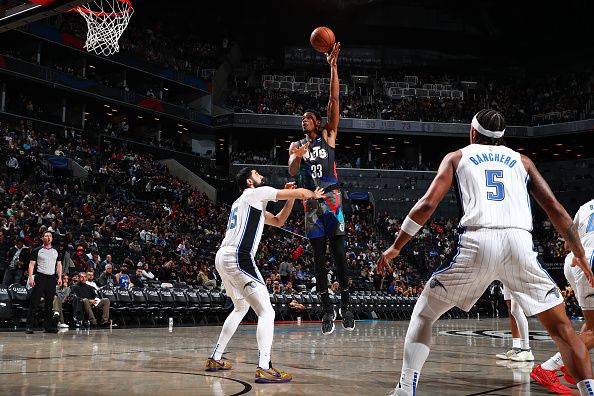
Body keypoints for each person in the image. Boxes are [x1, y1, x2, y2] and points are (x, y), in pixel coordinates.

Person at [376, 109, 594, 396]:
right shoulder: (522, 161)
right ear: (502, 138)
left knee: (424, 314)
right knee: (563, 329)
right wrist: (578, 252)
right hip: (519, 243)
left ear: (473, 133)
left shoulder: (457, 157)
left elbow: (427, 205)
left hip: (478, 240)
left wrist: (396, 247)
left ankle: (405, 389)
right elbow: (556, 211)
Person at [205, 167, 323, 383]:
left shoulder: (244, 203)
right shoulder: (255, 193)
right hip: (238, 256)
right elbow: (299, 193)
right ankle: (263, 367)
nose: (261, 176)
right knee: (267, 312)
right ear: (250, 181)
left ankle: (216, 357)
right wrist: (311, 195)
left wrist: (289, 199)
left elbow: (278, 221)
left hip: (222, 256)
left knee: (241, 307)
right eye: (257, 174)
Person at [287, 42, 354, 335]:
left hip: (333, 197)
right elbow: (291, 170)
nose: (304, 120)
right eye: (302, 119)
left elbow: (334, 99)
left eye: (308, 117)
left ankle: (347, 305)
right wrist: (295, 158)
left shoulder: (328, 135)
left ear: (317, 122)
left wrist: (333, 66)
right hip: (311, 202)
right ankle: (327, 310)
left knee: (339, 255)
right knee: (317, 258)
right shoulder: (296, 146)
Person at [532, 198, 594, 394]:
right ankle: (548, 368)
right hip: (590, 261)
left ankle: (571, 365)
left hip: (574, 259)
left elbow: (568, 241)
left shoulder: (586, 206)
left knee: (591, 325)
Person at [26, 231, 62, 334]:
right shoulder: (37, 250)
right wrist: (31, 278)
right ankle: (29, 326)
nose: (49, 237)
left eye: (50, 236)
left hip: (51, 278)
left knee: (49, 303)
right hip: (40, 276)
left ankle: (48, 326)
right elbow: (31, 265)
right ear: (42, 238)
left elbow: (59, 265)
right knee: (35, 302)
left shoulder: (56, 251)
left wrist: (59, 277)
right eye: (46, 236)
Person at [495, 284, 533, 362]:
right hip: (504, 274)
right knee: (510, 308)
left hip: (516, 274)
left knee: (516, 309)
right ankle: (516, 347)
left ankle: (526, 349)